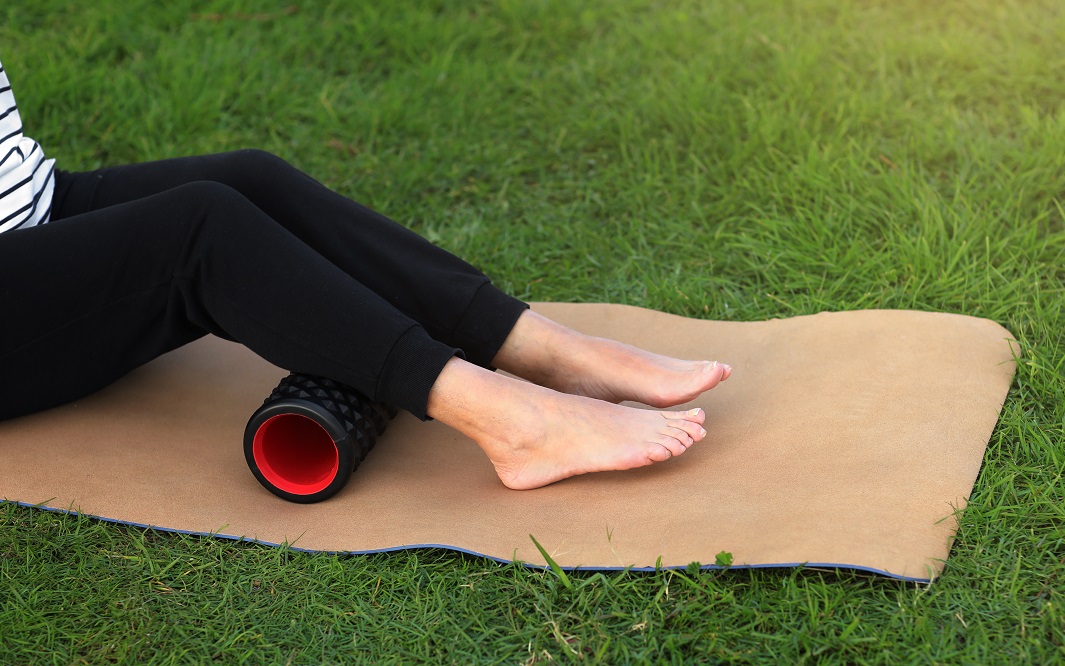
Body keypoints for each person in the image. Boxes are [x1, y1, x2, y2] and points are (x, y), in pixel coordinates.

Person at [0, 57, 732, 490]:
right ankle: (512, 423)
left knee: (251, 181)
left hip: (33, 205)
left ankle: (545, 353)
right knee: (197, 231)